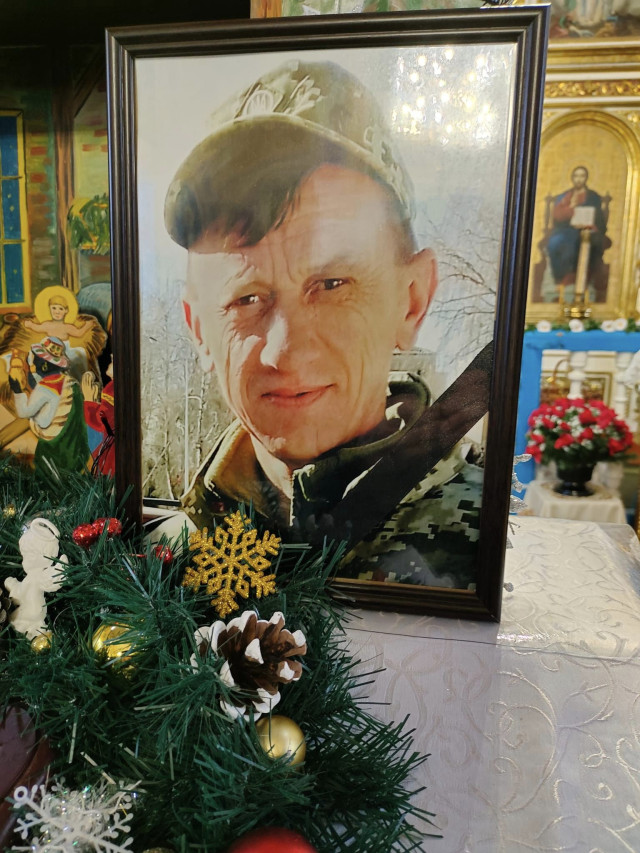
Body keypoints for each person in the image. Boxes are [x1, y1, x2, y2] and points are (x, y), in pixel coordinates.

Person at [161, 59, 492, 589]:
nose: (286, 351)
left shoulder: (490, 556)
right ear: (199, 330)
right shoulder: (158, 566)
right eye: (247, 298)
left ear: (411, 301)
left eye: (332, 285)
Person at [8, 336, 90, 477]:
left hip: (53, 452)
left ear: (44, 366)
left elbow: (23, 412)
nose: (32, 363)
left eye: (35, 359)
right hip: (75, 449)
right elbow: (48, 396)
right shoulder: (69, 382)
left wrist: (16, 389)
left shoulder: (44, 387)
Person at [546, 165, 610, 294]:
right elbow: (557, 216)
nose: (579, 179)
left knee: (584, 243)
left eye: (582, 176)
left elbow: (598, 218)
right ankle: (561, 279)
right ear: (572, 178)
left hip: (586, 230)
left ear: (586, 178)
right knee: (554, 243)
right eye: (576, 176)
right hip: (565, 229)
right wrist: (571, 208)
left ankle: (579, 279)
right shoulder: (565, 196)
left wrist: (589, 224)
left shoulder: (593, 197)